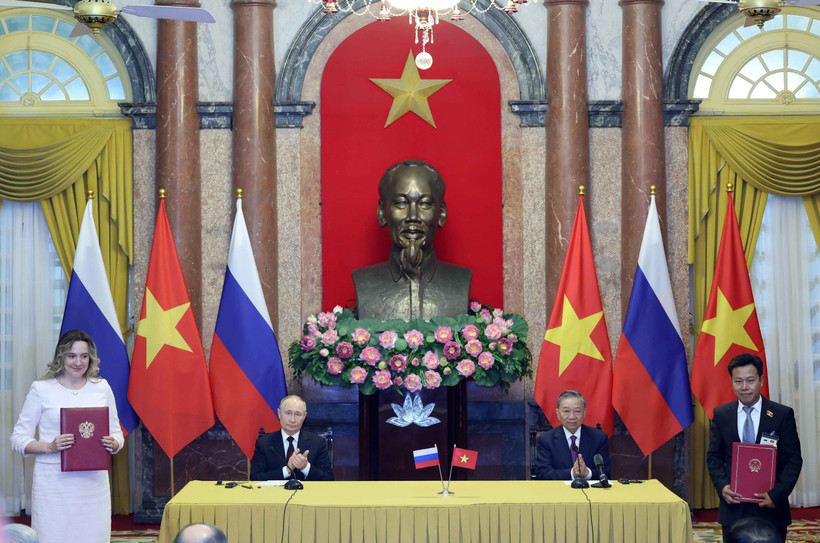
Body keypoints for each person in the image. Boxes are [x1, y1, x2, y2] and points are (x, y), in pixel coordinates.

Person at [9, 329, 123, 543]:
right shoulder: (41, 389)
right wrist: (49, 447)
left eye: (84, 356)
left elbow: (116, 432)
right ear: (61, 357)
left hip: (93, 486)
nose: (78, 362)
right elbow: (18, 438)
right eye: (72, 356)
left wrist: (114, 442)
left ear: (91, 358)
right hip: (53, 486)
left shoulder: (102, 388)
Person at [352, 159, 472, 320]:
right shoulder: (364, 282)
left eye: (425, 204)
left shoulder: (460, 280)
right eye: (401, 203)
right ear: (382, 212)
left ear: (441, 213)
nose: (413, 217)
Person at [707, 353, 803, 542]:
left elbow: (793, 460)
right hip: (733, 506)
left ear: (761, 380)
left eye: (750, 380)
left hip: (771, 507)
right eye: (738, 381)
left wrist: (776, 495)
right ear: (732, 382)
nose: (744, 387)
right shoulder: (722, 414)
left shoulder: (781, 414)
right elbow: (714, 457)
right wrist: (723, 486)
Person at [249, 395, 333, 481]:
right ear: (279, 413)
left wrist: (305, 467)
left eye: (298, 414)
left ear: (304, 416)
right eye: (288, 413)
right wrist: (287, 470)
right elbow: (255, 478)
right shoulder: (264, 443)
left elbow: (329, 479)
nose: (292, 420)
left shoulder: (317, 443)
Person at [535, 390, 611, 481]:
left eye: (577, 411)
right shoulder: (546, 440)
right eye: (566, 411)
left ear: (584, 413)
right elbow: (542, 474)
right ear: (558, 413)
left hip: (591, 493)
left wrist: (587, 473)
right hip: (559, 493)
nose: (572, 417)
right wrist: (571, 473)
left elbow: (607, 473)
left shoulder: (599, 438)